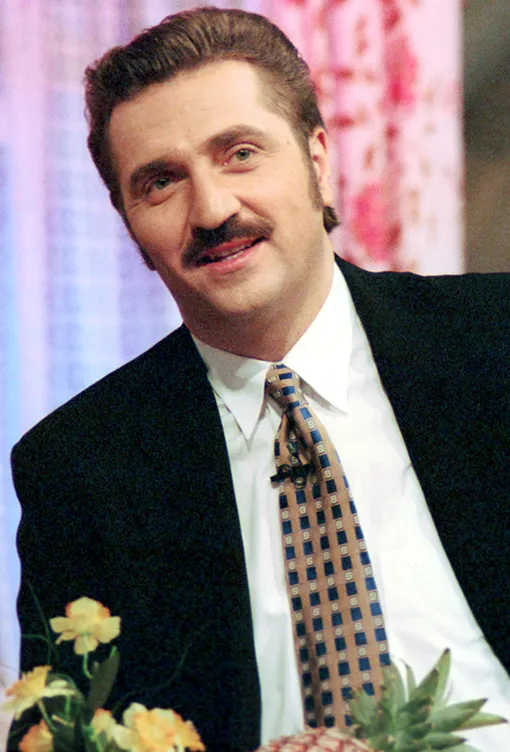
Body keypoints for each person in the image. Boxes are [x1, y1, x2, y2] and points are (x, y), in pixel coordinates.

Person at [10, 6, 510, 752]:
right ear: (129, 224)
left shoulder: (494, 339)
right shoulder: (81, 468)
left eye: (240, 153)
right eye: (160, 182)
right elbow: (57, 733)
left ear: (317, 160)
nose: (212, 210)